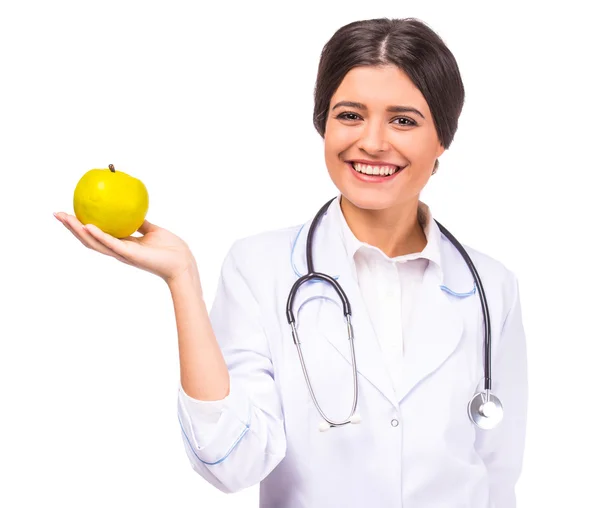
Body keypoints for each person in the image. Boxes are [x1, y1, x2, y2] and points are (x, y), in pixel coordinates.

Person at [54, 17, 528, 508]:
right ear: (323, 124)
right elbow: (230, 462)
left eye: (403, 120)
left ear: (441, 140)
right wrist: (182, 281)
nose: (372, 141)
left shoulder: (492, 287)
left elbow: (497, 474)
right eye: (350, 115)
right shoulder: (260, 269)